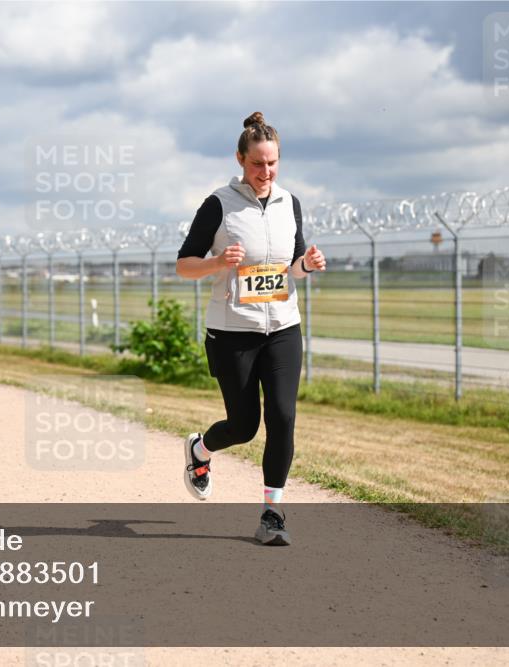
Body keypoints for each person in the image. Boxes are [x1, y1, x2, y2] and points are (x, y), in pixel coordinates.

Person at [175, 111, 326, 546]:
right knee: (244, 426)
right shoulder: (218, 204)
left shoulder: (289, 203)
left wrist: (306, 266)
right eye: (258, 163)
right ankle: (200, 450)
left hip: (282, 328)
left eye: (273, 163)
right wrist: (217, 263)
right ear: (241, 159)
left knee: (283, 418)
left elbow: (289, 269)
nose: (266, 172)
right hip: (231, 332)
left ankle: (272, 514)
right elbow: (184, 265)